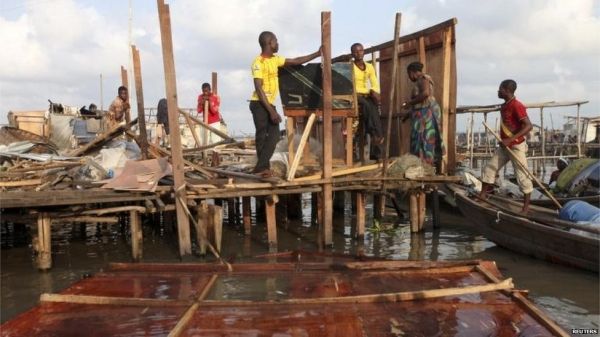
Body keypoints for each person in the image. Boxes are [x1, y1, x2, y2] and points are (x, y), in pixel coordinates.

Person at [250, 31, 321, 177]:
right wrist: (272, 112)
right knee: (262, 136)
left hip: (268, 104)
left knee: (274, 136)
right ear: (269, 43)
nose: (278, 44)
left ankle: (261, 166)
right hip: (259, 104)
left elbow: (296, 61)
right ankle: (262, 167)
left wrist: (317, 54)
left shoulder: (275, 60)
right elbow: (259, 88)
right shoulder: (258, 63)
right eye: (276, 41)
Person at [479, 79, 533, 212]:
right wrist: (505, 141)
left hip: (516, 146)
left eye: (500, 89)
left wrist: (510, 140)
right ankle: (482, 196)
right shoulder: (505, 105)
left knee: (522, 176)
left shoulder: (517, 105)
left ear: (507, 91)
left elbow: (528, 126)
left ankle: (525, 208)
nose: (498, 91)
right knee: (490, 168)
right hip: (504, 146)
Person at [401, 61, 444, 169]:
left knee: (424, 140)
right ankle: (422, 165)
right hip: (422, 113)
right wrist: (408, 114)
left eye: (409, 74)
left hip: (426, 115)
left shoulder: (424, 79)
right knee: (419, 140)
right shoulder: (420, 81)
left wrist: (409, 103)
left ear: (413, 72)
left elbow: (425, 94)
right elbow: (419, 103)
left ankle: (426, 167)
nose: (409, 77)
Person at [351, 43, 384, 159]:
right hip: (355, 95)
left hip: (367, 94)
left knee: (375, 113)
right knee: (366, 105)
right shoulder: (350, 66)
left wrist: (374, 92)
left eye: (360, 51)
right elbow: (350, 85)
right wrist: (368, 91)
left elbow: (375, 84)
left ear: (363, 52)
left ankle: (377, 153)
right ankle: (373, 133)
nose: (358, 53)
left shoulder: (369, 67)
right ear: (352, 54)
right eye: (355, 51)